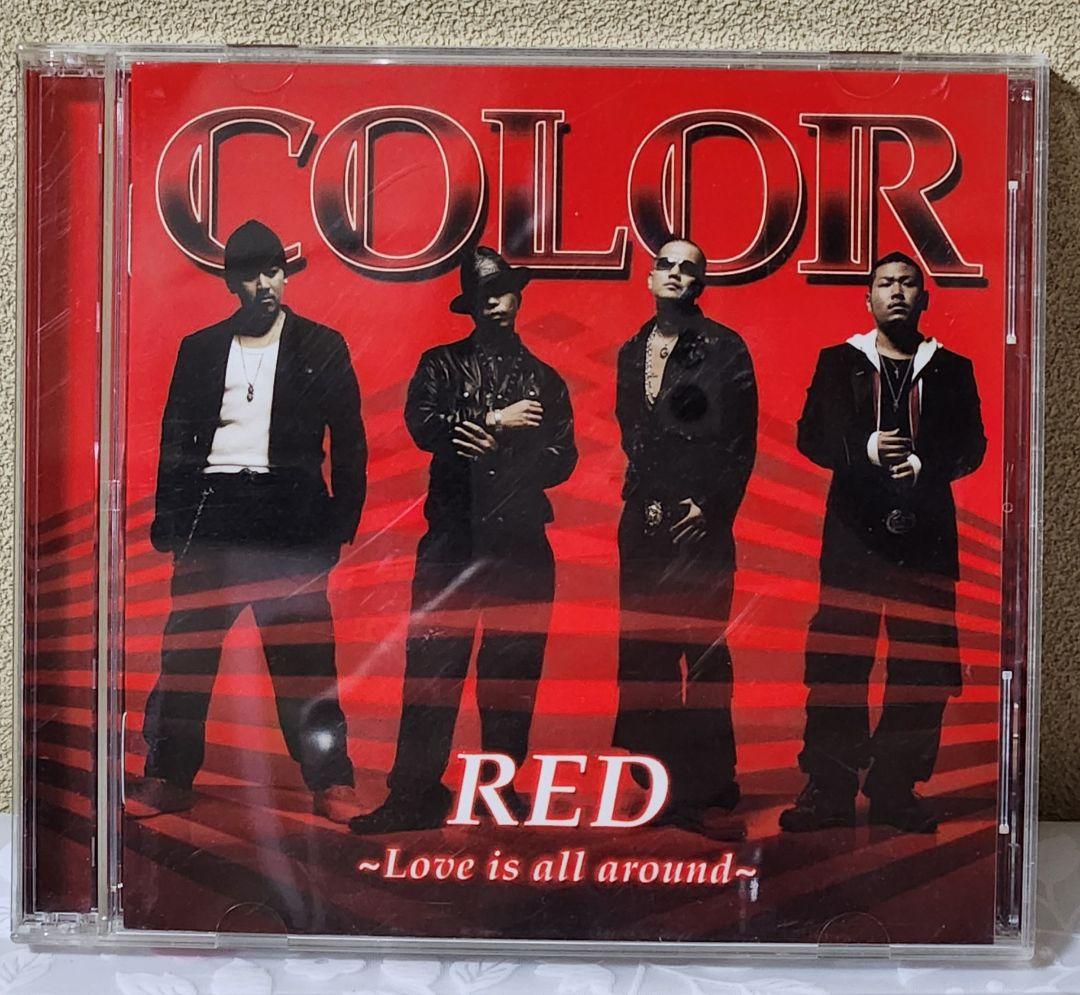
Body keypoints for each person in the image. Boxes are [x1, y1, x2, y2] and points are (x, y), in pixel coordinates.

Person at [127, 219, 367, 825]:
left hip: (291, 518)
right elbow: (175, 441)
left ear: (285, 275)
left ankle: (331, 782)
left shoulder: (323, 344)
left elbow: (350, 441)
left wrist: (339, 523)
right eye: (251, 276)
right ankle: (168, 775)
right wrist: (172, 523)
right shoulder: (200, 348)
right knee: (187, 656)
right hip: (214, 516)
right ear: (231, 283)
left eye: (273, 272)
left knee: (305, 660)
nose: (264, 285)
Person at [349, 247, 577, 834]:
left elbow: (562, 459)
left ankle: (496, 791)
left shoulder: (545, 379)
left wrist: (498, 447)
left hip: (521, 544)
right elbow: (423, 424)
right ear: (469, 305)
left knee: (513, 673)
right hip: (451, 540)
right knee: (432, 664)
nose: (494, 304)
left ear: (518, 296)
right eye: (483, 296)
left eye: (502, 292)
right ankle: (414, 794)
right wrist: (498, 421)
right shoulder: (440, 363)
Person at [780, 251, 986, 834]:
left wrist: (924, 465)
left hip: (927, 539)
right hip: (853, 536)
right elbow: (811, 437)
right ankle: (830, 790)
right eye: (885, 283)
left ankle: (896, 790)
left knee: (922, 666)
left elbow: (973, 446)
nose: (897, 291)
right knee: (838, 659)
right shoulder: (838, 361)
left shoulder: (953, 368)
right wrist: (865, 451)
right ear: (867, 298)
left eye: (908, 283)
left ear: (925, 299)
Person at [612, 238, 757, 835]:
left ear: (700, 284)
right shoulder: (631, 349)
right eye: (665, 265)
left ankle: (706, 785)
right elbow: (632, 432)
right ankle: (655, 784)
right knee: (643, 650)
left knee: (701, 651)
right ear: (650, 278)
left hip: (699, 522)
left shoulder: (725, 347)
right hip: (643, 522)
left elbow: (741, 441)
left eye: (688, 268)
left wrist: (711, 506)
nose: (675, 274)